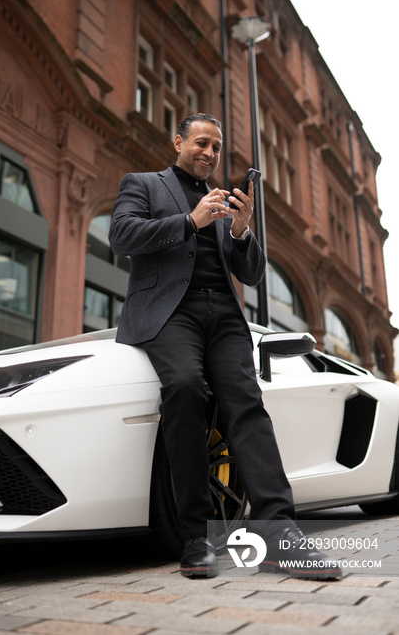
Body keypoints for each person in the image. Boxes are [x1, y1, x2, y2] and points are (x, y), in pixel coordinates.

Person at [108, 113, 341, 581]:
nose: (209, 153)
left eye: (216, 147)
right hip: (170, 312)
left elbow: (251, 274)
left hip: (225, 317)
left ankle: (278, 533)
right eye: (201, 143)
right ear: (178, 142)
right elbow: (121, 236)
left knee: (246, 403)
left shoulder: (227, 202)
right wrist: (189, 221)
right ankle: (197, 535)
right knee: (186, 387)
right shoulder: (144, 184)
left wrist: (241, 231)